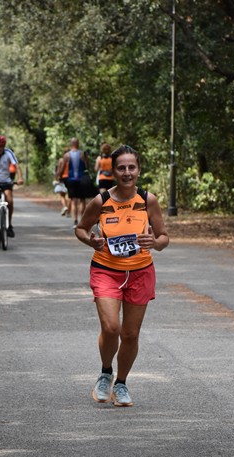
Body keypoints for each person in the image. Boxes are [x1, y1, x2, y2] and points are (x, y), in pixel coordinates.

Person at [75, 145, 169, 407]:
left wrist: (155, 242)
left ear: (138, 169)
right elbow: (81, 229)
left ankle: (122, 383)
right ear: (113, 171)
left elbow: (164, 238)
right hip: (106, 269)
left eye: (132, 167)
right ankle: (106, 372)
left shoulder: (148, 200)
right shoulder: (101, 201)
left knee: (129, 334)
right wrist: (91, 242)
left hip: (140, 272)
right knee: (111, 327)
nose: (127, 173)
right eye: (121, 168)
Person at [57, 138, 88, 228]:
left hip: (71, 179)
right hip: (82, 179)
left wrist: (59, 177)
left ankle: (75, 221)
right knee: (82, 200)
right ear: (78, 144)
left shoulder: (67, 155)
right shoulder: (82, 154)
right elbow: (87, 166)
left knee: (74, 200)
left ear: (71, 144)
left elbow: (62, 168)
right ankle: (82, 220)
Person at [54, 151, 70, 216]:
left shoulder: (62, 160)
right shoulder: (72, 161)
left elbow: (59, 170)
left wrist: (56, 177)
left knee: (62, 194)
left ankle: (65, 206)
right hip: (71, 178)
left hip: (63, 178)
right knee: (70, 196)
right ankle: (68, 211)